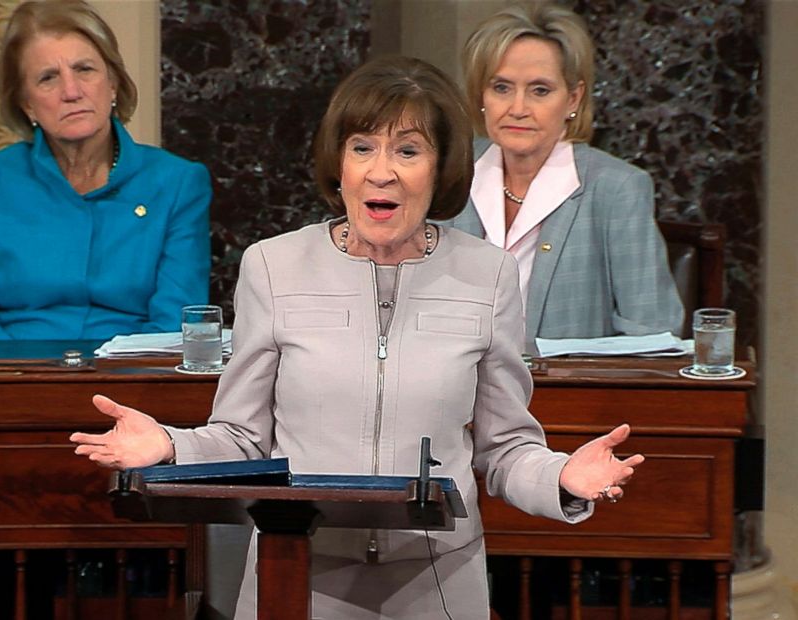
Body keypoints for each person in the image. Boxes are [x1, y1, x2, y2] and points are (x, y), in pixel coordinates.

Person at [70, 56, 644, 620]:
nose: (381, 171)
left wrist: (562, 477)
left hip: (437, 578)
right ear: (338, 163)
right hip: (297, 571)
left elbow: (505, 449)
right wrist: (169, 445)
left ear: (440, 168)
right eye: (362, 147)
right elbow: (242, 439)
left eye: (408, 151)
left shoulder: (488, 275)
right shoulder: (273, 267)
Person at [0, 0, 211, 341]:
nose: (71, 92)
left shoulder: (178, 183)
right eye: (48, 78)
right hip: (14, 381)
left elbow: (176, 325)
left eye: (84, 69)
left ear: (112, 83)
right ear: (27, 104)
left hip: (133, 384)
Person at [449, 3, 684, 343]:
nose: (517, 108)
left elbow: (653, 335)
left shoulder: (617, 189)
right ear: (481, 95)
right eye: (501, 88)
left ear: (573, 99)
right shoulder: (449, 173)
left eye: (539, 90)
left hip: (567, 393)